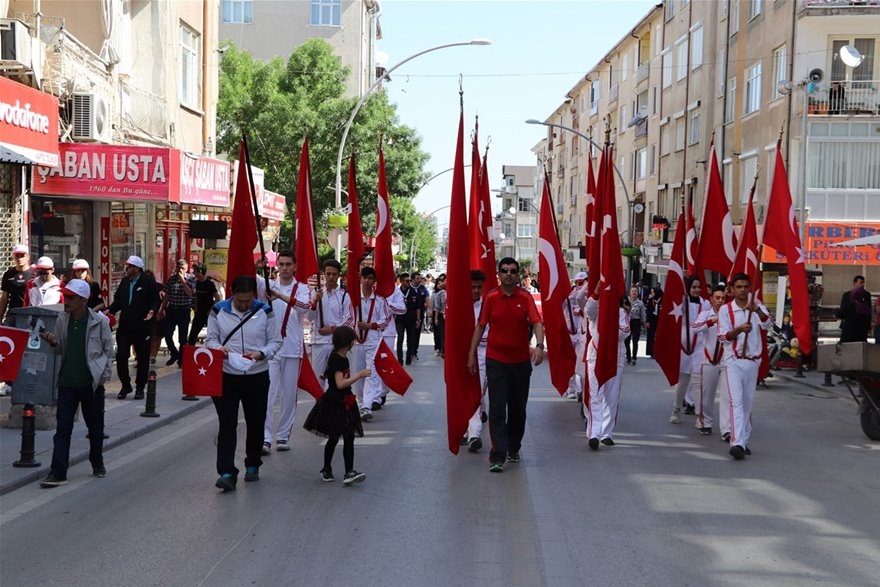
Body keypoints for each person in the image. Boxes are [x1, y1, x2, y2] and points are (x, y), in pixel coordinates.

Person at [468, 257, 544, 473]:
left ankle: (513, 447)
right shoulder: (491, 298)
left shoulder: (525, 297)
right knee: (498, 409)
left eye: (512, 270)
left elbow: (537, 322)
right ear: (499, 274)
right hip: (496, 362)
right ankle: (498, 455)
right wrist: (471, 354)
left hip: (520, 363)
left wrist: (539, 345)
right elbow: (480, 326)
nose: (509, 274)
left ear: (518, 274)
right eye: (504, 270)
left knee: (518, 409)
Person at [206, 275, 282, 491]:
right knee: (227, 424)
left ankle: (252, 464)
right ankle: (227, 472)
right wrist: (217, 349)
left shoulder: (264, 311)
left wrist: (261, 353)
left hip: (256, 374)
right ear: (232, 294)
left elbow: (276, 341)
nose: (244, 305)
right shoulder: (218, 311)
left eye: (248, 301)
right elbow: (211, 339)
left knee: (256, 422)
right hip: (226, 375)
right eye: (240, 301)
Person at [37, 279, 114, 487]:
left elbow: (109, 351)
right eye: (65, 296)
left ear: (83, 300)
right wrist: (53, 343)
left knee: (95, 428)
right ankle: (58, 472)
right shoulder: (63, 319)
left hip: (91, 384)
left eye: (70, 297)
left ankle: (97, 462)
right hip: (67, 383)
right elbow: (60, 349)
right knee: (63, 429)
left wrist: (102, 376)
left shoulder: (99, 322)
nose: (66, 300)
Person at [302, 325, 369, 485]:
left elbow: (331, 374)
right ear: (348, 343)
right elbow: (340, 383)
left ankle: (334, 469)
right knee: (341, 436)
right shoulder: (340, 359)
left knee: (339, 437)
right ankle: (342, 471)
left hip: (337, 399)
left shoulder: (335, 356)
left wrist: (327, 375)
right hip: (338, 400)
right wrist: (359, 375)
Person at [718, 273, 772, 460]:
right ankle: (737, 442)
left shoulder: (756, 308)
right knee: (736, 402)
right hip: (733, 360)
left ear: (750, 288)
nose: (742, 290)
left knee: (747, 404)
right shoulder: (726, 310)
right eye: (738, 287)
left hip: (752, 361)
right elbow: (723, 336)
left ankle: (744, 440)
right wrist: (739, 329)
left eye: (745, 287)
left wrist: (757, 311)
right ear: (732, 290)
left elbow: (768, 324)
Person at [262, 250, 311, 455]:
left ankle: (282, 435)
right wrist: (257, 266)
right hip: (271, 348)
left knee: (289, 395)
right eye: (281, 264)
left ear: (295, 266)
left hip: (292, 348)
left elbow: (304, 307)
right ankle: (265, 438)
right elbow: (245, 283)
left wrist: (280, 296)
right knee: (268, 393)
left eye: (288, 264)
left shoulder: (302, 288)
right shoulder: (267, 285)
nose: (284, 268)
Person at [107, 256, 161, 400]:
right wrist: (109, 311)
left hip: (143, 326)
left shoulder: (148, 281)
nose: (127, 269)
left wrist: (152, 311)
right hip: (125, 326)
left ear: (137, 268)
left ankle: (140, 387)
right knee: (121, 355)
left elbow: (156, 300)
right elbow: (118, 300)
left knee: (143, 358)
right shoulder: (125, 282)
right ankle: (125, 384)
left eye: (129, 266)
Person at [582, 290, 630, 450]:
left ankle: (606, 433)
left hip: (615, 357)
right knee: (596, 395)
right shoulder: (596, 308)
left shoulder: (621, 312)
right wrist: (596, 293)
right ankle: (594, 434)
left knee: (611, 396)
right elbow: (588, 310)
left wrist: (610, 321)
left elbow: (624, 332)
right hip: (595, 356)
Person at [351, 266, 392, 422]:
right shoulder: (353, 299)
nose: (367, 281)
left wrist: (370, 325)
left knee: (371, 373)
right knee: (358, 373)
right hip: (356, 342)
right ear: (360, 279)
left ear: (374, 281)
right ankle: (361, 402)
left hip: (373, 342)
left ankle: (367, 405)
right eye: (364, 278)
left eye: (370, 278)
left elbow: (385, 320)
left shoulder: (380, 301)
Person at [669, 276, 709, 423]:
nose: (697, 290)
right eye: (693, 287)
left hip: (699, 346)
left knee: (698, 382)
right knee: (683, 382)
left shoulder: (705, 304)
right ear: (688, 288)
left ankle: (700, 416)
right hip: (683, 348)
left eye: (699, 287)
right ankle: (676, 409)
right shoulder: (682, 302)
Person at [310, 259, 354, 387]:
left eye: (334, 274)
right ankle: (320, 405)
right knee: (318, 380)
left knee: (335, 381)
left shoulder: (344, 296)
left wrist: (333, 329)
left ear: (338, 275)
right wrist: (314, 303)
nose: (331, 277)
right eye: (328, 273)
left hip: (337, 344)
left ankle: (333, 407)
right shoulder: (315, 293)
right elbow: (309, 316)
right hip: (318, 342)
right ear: (323, 274)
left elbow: (350, 319)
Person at [691, 285, 727, 436]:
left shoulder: (730, 314)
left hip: (726, 359)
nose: (720, 301)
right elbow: (695, 327)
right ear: (711, 300)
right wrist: (712, 321)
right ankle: (705, 423)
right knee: (707, 395)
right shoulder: (705, 314)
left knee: (727, 396)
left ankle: (727, 429)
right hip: (709, 358)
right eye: (717, 298)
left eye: (723, 298)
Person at [465, 270, 489, 452]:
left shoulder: (488, 305)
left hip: (485, 352)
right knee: (469, 392)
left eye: (479, 287)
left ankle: (473, 432)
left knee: (477, 392)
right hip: (465, 353)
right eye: (472, 287)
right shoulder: (459, 306)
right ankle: (469, 431)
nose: (476, 291)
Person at [159, 259, 195, 367]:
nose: (180, 270)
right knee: (167, 334)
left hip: (184, 310)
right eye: (178, 268)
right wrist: (162, 309)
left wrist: (182, 280)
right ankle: (174, 354)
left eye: (183, 268)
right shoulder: (171, 280)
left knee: (182, 338)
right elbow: (167, 296)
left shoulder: (191, 279)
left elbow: (190, 293)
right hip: (172, 310)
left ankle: (182, 359)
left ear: (187, 268)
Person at [562, 271, 587, 399]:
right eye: (577, 282)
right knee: (569, 363)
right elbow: (571, 298)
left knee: (580, 364)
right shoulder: (570, 297)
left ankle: (580, 390)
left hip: (581, 335)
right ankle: (570, 388)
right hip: (569, 334)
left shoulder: (587, 298)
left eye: (582, 283)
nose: (579, 285)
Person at [186, 263, 221, 346]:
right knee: (192, 335)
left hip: (209, 314)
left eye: (195, 271)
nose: (193, 273)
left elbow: (217, 298)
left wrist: (211, 311)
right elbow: (197, 296)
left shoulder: (209, 284)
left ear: (200, 272)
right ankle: (190, 355)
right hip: (199, 313)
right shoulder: (196, 283)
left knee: (213, 335)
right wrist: (196, 307)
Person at [1, 244, 32, 325]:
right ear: (13, 257)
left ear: (28, 257)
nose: (19, 259)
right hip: (12, 314)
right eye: (17, 256)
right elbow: (4, 298)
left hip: (29, 314)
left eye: (22, 256)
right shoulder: (8, 274)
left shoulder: (34, 274)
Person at [836, 274, 872, 343]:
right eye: (861, 282)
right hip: (855, 327)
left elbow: (841, 312)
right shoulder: (847, 295)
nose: (863, 285)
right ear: (855, 283)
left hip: (854, 328)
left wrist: (868, 325)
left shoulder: (866, 295)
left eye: (863, 283)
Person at [396, 273, 421, 365]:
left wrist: (418, 319)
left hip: (411, 320)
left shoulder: (413, 292)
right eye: (407, 281)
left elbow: (418, 307)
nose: (409, 282)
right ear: (402, 281)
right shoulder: (397, 292)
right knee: (400, 338)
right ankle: (399, 359)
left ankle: (408, 357)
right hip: (400, 320)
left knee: (410, 340)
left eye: (410, 281)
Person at [625, 286, 646, 365]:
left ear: (638, 293)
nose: (634, 293)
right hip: (628, 322)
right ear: (630, 293)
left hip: (636, 322)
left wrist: (644, 324)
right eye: (632, 291)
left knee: (635, 340)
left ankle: (634, 357)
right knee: (627, 341)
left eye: (636, 291)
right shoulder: (627, 302)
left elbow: (643, 315)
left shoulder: (640, 303)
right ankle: (628, 357)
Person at [411, 271, 430, 359]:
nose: (419, 280)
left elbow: (427, 298)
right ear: (413, 279)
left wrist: (429, 309)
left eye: (420, 278)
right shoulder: (408, 288)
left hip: (420, 313)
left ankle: (414, 352)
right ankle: (410, 351)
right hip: (410, 314)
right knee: (410, 333)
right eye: (417, 278)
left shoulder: (422, 288)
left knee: (417, 333)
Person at [644, 285, 662, 356]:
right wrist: (647, 321)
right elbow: (648, 311)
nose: (651, 294)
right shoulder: (651, 300)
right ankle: (651, 351)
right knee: (650, 335)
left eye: (653, 292)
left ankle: (659, 351)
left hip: (660, 319)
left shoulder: (663, 299)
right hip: (652, 319)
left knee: (659, 336)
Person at [432, 275, 447, 357]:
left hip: (450, 316)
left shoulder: (452, 291)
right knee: (442, 334)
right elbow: (437, 307)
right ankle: (443, 350)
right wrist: (436, 318)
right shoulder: (439, 294)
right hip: (442, 315)